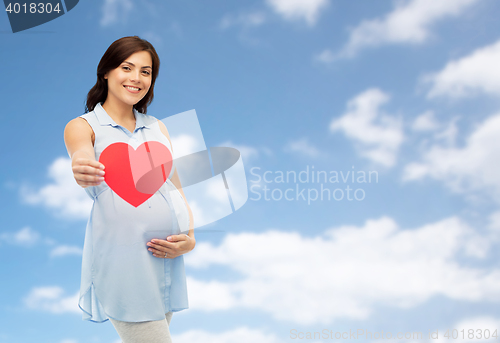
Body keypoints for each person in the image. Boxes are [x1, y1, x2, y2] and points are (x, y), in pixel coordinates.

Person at [63, 36, 195, 343]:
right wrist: (82, 167)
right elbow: (81, 154)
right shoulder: (84, 126)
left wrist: (189, 239)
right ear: (106, 71)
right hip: (124, 265)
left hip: (165, 261)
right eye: (127, 67)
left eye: (146, 72)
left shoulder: (158, 127)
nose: (136, 78)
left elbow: (173, 186)